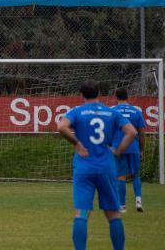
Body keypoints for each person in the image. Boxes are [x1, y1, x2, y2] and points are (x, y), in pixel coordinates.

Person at [56, 80, 137, 250]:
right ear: (99, 93)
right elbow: (132, 132)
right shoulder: (111, 112)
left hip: (84, 167)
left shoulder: (76, 111)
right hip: (106, 167)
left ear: (81, 94)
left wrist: (76, 143)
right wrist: (118, 151)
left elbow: (61, 127)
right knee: (113, 213)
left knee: (82, 212)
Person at [112, 88, 147, 212]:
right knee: (135, 174)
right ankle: (138, 201)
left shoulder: (112, 111)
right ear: (127, 97)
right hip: (133, 147)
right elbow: (142, 133)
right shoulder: (136, 111)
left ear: (116, 97)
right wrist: (141, 150)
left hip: (119, 147)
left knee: (120, 176)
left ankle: (122, 206)